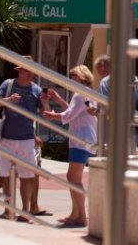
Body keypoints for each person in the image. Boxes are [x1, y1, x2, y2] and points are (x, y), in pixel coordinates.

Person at [0, 58, 47, 221]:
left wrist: (47, 103)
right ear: (19, 70)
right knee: (7, 175)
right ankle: (8, 210)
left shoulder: (37, 90)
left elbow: (43, 113)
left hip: (26, 138)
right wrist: (9, 100)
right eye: (27, 70)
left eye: (32, 70)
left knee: (27, 176)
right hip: (7, 137)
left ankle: (25, 211)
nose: (30, 73)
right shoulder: (8, 85)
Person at [43, 65, 97, 228]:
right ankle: (76, 214)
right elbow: (75, 112)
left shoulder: (79, 94)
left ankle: (81, 216)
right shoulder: (87, 93)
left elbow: (68, 115)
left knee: (74, 178)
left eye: (72, 77)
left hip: (79, 140)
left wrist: (53, 115)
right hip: (86, 140)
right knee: (73, 178)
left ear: (79, 78)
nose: (70, 80)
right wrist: (59, 101)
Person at [93, 54, 138, 154]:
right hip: (133, 130)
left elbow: (104, 110)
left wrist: (95, 111)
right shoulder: (135, 79)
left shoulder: (105, 82)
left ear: (103, 66)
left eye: (98, 70)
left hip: (113, 132)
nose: (98, 73)